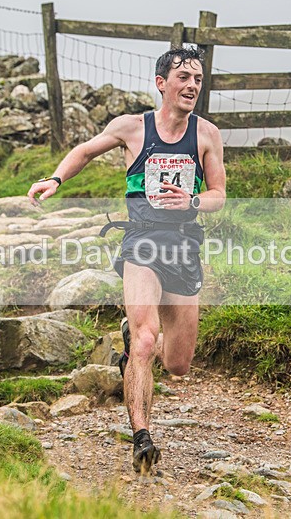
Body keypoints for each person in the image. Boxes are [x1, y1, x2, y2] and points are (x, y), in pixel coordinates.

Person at [27, 47, 226, 474]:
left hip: (184, 245)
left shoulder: (206, 134)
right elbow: (84, 150)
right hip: (140, 243)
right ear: (161, 84)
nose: (192, 85)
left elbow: (218, 196)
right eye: (183, 78)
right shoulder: (132, 128)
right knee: (146, 341)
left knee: (178, 364)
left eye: (198, 79)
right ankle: (142, 438)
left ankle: (131, 337)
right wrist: (56, 178)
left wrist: (191, 199)